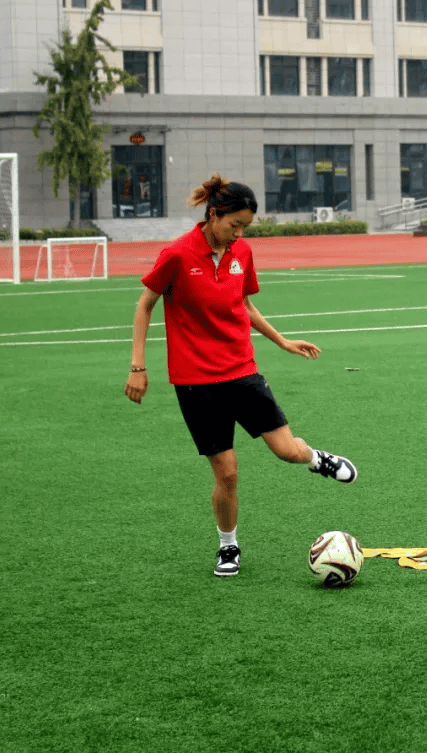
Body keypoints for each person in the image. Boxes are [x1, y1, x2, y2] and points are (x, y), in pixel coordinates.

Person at [124, 173, 357, 578]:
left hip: (241, 370)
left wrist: (281, 341)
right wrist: (138, 367)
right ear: (214, 215)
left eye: (245, 228)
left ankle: (316, 458)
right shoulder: (177, 254)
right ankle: (228, 546)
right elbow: (145, 305)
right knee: (227, 472)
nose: (238, 235)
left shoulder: (241, 252)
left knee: (287, 451)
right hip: (195, 381)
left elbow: (243, 305)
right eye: (234, 225)